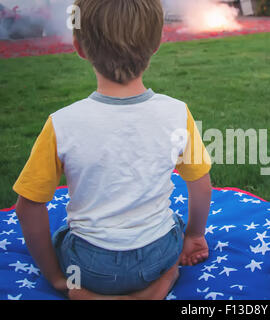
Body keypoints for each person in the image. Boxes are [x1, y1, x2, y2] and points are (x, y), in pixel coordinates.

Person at [13, 0, 212, 300]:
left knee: (61, 238)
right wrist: (194, 235)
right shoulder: (177, 113)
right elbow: (200, 183)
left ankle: (82, 293)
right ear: (157, 42)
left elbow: (27, 207)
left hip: (91, 268)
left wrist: (55, 277)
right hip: (157, 257)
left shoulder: (61, 124)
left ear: (79, 47)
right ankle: (162, 282)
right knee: (175, 226)